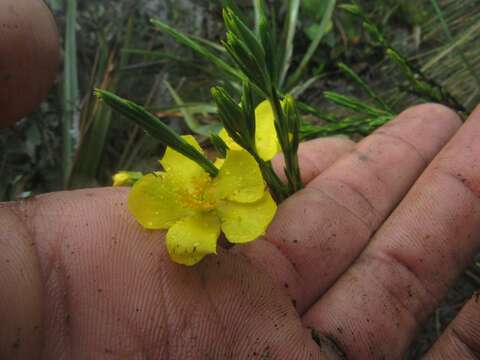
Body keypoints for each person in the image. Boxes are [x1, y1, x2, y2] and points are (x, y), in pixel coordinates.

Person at [1, 102, 480, 359]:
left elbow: (250, 206)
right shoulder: (183, 211)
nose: (198, 192)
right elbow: (163, 219)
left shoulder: (237, 181)